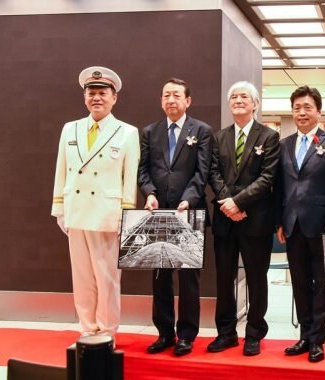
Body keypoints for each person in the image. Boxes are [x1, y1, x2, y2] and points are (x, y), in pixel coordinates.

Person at [51, 66, 140, 344]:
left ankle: (107, 330)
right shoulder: (71, 129)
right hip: (76, 211)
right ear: (84, 97)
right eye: (91, 93)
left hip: (107, 214)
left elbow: (130, 178)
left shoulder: (127, 132)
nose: (96, 98)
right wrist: (59, 208)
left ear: (114, 98)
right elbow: (61, 170)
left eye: (102, 93)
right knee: (82, 277)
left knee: (107, 278)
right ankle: (87, 327)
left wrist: (126, 216)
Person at [138, 78, 213, 356]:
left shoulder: (201, 131)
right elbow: (143, 169)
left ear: (187, 101)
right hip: (158, 211)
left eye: (176, 95)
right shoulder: (149, 132)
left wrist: (188, 198)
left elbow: (202, 171)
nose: (171, 100)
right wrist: (149, 193)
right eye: (166, 95)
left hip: (189, 212)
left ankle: (186, 335)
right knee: (160, 276)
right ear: (161, 100)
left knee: (189, 277)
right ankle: (164, 333)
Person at [207, 81, 279, 356]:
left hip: (256, 219)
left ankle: (254, 333)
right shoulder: (219, 137)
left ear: (255, 104)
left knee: (256, 278)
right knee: (224, 279)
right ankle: (226, 333)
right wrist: (228, 202)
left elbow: (268, 178)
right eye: (234, 97)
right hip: (226, 219)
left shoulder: (269, 137)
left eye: (244, 97)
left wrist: (239, 202)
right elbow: (213, 173)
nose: (238, 100)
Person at [276, 86, 325, 363]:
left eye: (307, 107)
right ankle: (304, 335)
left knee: (323, 285)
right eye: (297, 108)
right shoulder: (284, 144)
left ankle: (318, 340)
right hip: (292, 225)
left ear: (318, 111)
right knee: (300, 284)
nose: (301, 112)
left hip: (322, 225)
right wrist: (280, 220)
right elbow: (281, 186)